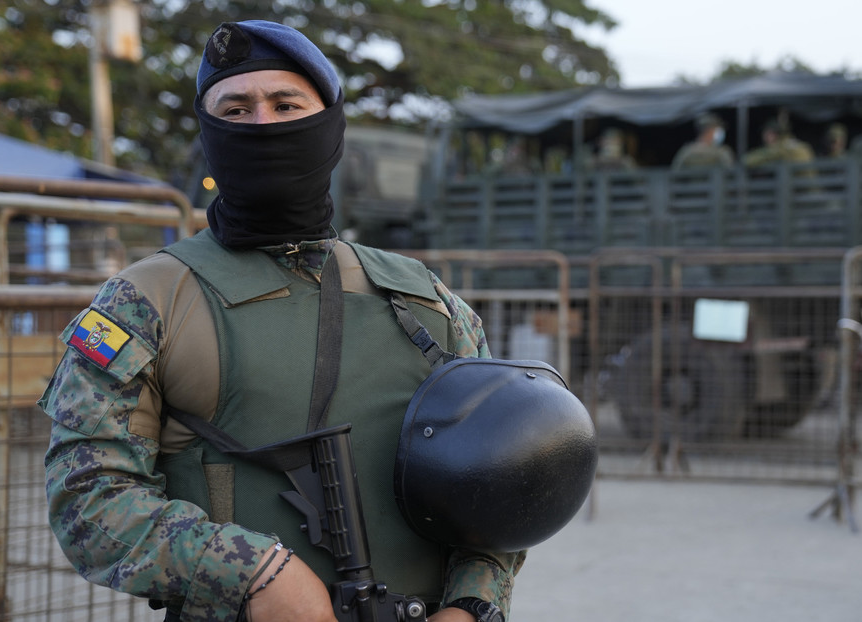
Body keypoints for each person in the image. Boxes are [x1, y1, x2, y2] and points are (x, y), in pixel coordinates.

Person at [40, 20, 522, 622]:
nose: (263, 125)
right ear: (211, 134)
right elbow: (89, 499)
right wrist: (253, 573)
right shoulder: (144, 301)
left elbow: (505, 479)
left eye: (286, 103)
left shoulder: (427, 299)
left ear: (329, 124)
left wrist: (474, 606)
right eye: (236, 109)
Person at [742, 119, 815, 168]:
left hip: (800, 187)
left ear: (775, 134)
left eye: (767, 134)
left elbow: (747, 161)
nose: (764, 137)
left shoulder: (781, 147)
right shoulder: (788, 144)